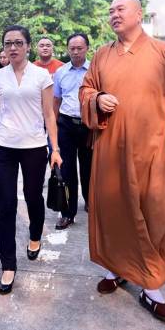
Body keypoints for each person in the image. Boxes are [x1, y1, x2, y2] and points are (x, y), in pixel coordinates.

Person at [79, 0, 165, 322]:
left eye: (120, 9)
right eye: (110, 10)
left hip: (152, 151)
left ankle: (152, 286)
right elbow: (85, 90)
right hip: (111, 150)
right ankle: (119, 271)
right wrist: (97, 98)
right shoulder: (101, 55)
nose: (113, 14)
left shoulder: (163, 53)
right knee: (113, 212)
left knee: (159, 215)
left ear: (139, 14)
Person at [0, 25, 62, 295]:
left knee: (32, 196)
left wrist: (56, 148)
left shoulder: (42, 76)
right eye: (8, 43)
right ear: (3, 48)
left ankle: (36, 235)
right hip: (4, 146)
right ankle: (8, 264)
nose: (12, 47)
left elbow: (50, 115)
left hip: (35, 147)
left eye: (18, 42)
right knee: (5, 205)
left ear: (28, 46)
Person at [52, 32, 92, 230]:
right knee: (66, 171)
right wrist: (52, 126)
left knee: (89, 168)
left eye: (80, 48)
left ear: (87, 48)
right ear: (68, 49)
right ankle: (68, 213)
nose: (75, 52)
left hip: (88, 126)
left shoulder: (95, 70)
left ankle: (90, 201)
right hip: (66, 125)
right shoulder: (61, 72)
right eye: (72, 49)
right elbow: (56, 101)